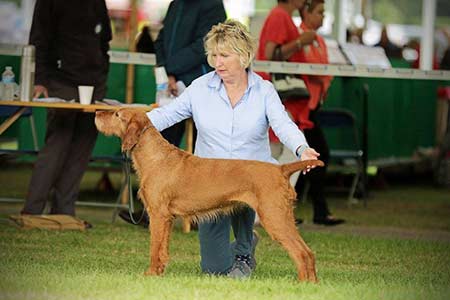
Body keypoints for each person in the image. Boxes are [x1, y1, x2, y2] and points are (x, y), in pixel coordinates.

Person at [147, 19, 320, 279]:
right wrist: (132, 121)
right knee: (214, 269)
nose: (218, 62)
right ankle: (247, 241)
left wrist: (301, 149)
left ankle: (243, 251)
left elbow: (283, 124)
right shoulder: (200, 88)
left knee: (268, 233)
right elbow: (166, 116)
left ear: (244, 56)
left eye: (225, 55)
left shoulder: (264, 90)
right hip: (210, 183)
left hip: (253, 178)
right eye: (214, 55)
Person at [119, 0, 226, 226]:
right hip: (171, 84)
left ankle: (203, 213)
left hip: (201, 83)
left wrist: (171, 70)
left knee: (205, 151)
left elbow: (204, 45)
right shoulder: (176, 4)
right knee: (160, 144)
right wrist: (165, 73)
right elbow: (160, 40)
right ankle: (151, 209)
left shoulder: (213, 5)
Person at [20, 0, 112, 226]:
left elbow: (105, 38)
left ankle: (64, 211)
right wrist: (40, 80)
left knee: (82, 148)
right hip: (61, 81)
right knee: (57, 146)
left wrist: (102, 72)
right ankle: (31, 211)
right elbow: (38, 39)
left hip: (94, 83)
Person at [257, 0, 344, 226]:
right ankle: (272, 208)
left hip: (286, 98)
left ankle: (271, 209)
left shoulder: (283, 17)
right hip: (281, 96)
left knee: (283, 153)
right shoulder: (279, 16)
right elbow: (269, 55)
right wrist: (299, 42)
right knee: (290, 153)